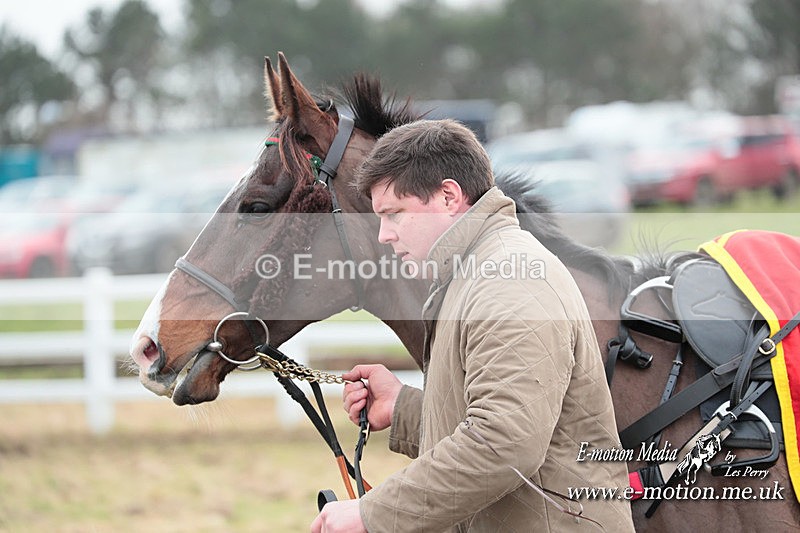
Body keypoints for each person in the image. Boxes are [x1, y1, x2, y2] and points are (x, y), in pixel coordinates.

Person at [311, 120, 634, 532]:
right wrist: (403, 408)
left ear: (448, 196)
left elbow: (503, 443)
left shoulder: (509, 281)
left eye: (394, 214)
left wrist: (371, 514)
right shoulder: (476, 273)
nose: (384, 235)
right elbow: (502, 417)